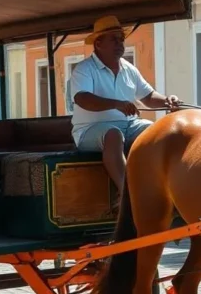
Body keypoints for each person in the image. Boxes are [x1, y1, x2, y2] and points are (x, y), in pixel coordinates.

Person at [68, 15, 180, 191]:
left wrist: (168, 101)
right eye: (114, 40)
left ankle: (163, 188)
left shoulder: (129, 68)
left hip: (128, 126)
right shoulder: (84, 69)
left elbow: (149, 97)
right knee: (113, 135)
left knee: (157, 131)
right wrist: (116, 104)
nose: (120, 44)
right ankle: (127, 195)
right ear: (98, 44)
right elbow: (83, 99)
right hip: (90, 130)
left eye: (121, 40)